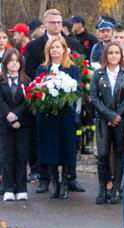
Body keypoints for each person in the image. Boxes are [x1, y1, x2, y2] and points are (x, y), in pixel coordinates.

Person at [36, 36, 80, 200]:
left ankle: (65, 182)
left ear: (63, 49)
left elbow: (77, 92)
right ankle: (53, 180)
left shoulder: (72, 68)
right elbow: (36, 89)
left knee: (66, 146)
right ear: (48, 50)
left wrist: (65, 96)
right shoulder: (42, 69)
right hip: (47, 115)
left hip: (65, 114)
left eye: (58, 47)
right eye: (52, 47)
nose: (55, 50)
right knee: (50, 147)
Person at [91, 41, 124, 205]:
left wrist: (118, 115)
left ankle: (116, 187)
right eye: (111, 53)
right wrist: (109, 115)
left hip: (120, 120)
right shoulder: (98, 74)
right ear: (105, 55)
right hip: (103, 119)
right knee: (102, 154)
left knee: (119, 153)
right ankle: (102, 188)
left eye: (117, 53)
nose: (114, 56)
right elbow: (94, 97)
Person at [0, 50, 31, 202]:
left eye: (17, 61)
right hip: (4, 124)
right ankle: (8, 188)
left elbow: (27, 102)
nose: (14, 63)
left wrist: (17, 116)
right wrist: (9, 117)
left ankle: (21, 189)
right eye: (10, 61)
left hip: (22, 124)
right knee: (7, 156)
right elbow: (1, 101)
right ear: (5, 64)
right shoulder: (1, 81)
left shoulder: (26, 81)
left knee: (21, 156)